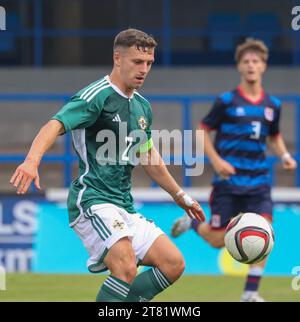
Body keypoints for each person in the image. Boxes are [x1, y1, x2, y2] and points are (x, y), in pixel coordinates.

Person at [10, 28, 205, 302]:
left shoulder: (142, 107)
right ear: (117, 58)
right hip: (92, 200)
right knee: (125, 266)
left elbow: (148, 156)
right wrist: (32, 162)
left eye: (149, 63)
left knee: (173, 263)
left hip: (123, 205)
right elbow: (53, 124)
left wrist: (180, 196)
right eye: (137, 62)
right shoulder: (96, 96)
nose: (144, 69)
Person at [171, 38, 297, 302]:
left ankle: (250, 293)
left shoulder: (273, 104)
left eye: (256, 61)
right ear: (239, 66)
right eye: (246, 61)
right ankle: (193, 223)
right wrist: (216, 161)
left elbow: (273, 136)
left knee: (265, 233)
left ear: (264, 66)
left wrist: (284, 154)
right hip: (228, 183)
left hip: (258, 182)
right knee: (218, 240)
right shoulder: (226, 101)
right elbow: (202, 130)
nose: (251, 65)